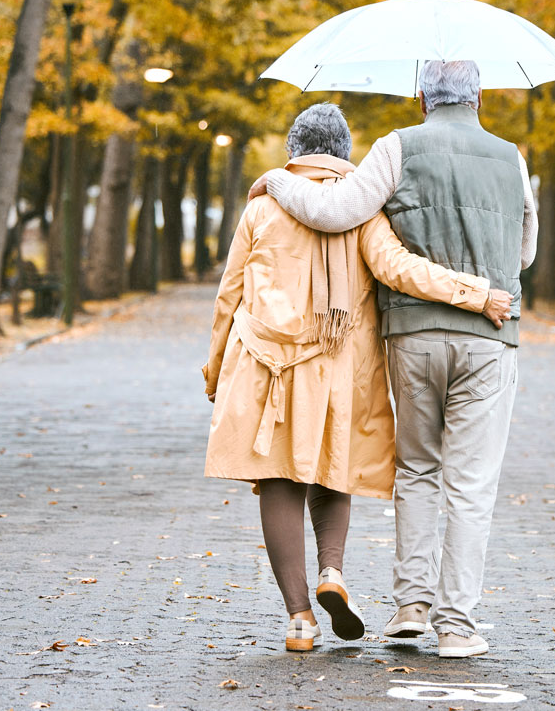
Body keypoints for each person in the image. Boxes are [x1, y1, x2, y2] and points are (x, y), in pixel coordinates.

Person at [203, 102, 512, 653]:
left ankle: (299, 617)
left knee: (279, 479)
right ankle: (333, 572)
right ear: (345, 152)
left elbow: (230, 296)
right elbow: (402, 270)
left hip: (269, 369)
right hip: (339, 373)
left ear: (294, 151)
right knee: (331, 472)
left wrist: (213, 372)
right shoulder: (368, 213)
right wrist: (475, 292)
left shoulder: (263, 210)